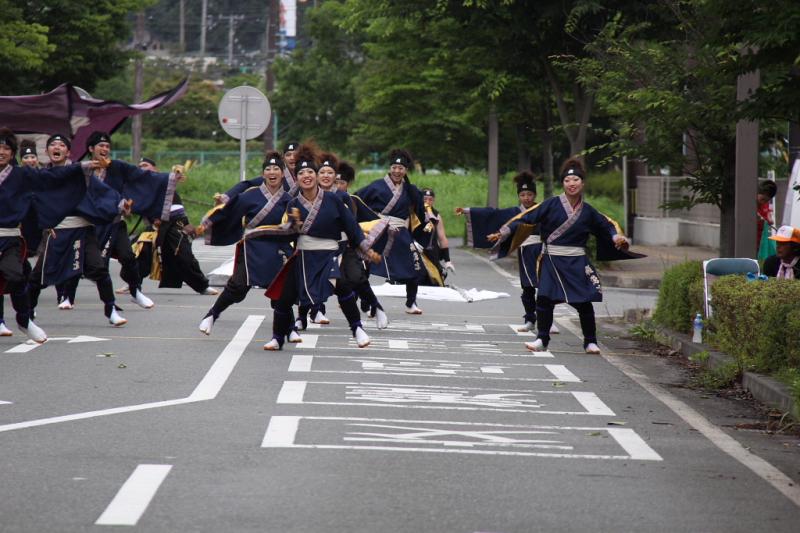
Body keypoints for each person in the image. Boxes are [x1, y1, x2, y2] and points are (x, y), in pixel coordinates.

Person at [488, 157, 636, 354]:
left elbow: (607, 225)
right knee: (544, 299)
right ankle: (542, 339)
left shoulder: (588, 211)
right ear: (563, 184)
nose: (571, 184)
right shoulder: (551, 204)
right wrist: (503, 233)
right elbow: (525, 218)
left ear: (582, 183)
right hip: (551, 259)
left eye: (575, 180)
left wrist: (617, 237)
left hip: (576, 261)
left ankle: (590, 341)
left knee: (583, 302)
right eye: (567, 180)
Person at [265, 145, 382, 350]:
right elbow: (288, 235)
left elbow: (351, 227)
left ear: (316, 176)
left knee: (343, 287)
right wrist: (293, 228)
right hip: (303, 256)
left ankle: (357, 329)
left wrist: (366, 249)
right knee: (284, 297)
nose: (306, 176)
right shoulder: (293, 204)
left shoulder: (334, 199)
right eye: (301, 173)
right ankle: (277, 337)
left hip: (329, 255)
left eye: (310, 172)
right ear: (297, 178)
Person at [0, 127, 102, 342]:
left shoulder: (22, 175)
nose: (1, 152)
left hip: (9, 238)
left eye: (6, 148)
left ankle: (24, 320)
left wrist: (80, 167)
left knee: (16, 276)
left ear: (12, 153)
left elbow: (51, 176)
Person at [196, 151, 296, 338]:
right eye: (268, 169)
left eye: (276, 169)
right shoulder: (250, 196)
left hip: (277, 249)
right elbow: (228, 211)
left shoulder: (289, 200)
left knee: (280, 291)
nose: (272, 172)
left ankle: (290, 329)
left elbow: (295, 226)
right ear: (263, 174)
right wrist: (206, 224)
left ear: (283, 174)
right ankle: (212, 315)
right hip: (252, 248)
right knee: (238, 287)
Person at [457, 171, 558, 334]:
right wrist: (468, 211)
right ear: (519, 196)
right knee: (528, 288)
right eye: (523, 195)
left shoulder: (542, 210)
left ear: (535, 195)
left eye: (530, 194)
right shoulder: (514, 212)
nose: (526, 198)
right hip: (525, 253)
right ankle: (530, 319)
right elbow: (492, 214)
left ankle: (548, 320)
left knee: (545, 287)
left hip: (543, 252)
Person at [353, 149, 428, 314]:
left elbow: (422, 214)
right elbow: (356, 200)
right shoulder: (376, 186)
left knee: (414, 267)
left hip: (400, 232)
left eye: (401, 168)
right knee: (366, 267)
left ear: (405, 170)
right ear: (390, 168)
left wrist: (423, 234)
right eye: (394, 167)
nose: (397, 171)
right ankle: (366, 303)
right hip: (378, 231)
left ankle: (411, 302)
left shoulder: (411, 190)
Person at [133, 157, 217, 295]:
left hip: (175, 224)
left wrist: (176, 175)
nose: (142, 167)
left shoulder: (162, 180)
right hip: (155, 226)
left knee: (184, 256)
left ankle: (202, 286)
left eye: (145, 165)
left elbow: (173, 182)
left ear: (155, 169)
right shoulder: (139, 186)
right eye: (140, 166)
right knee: (142, 252)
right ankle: (133, 284)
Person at [336, 160, 389, 329]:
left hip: (350, 244)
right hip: (322, 246)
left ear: (348, 184)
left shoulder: (351, 200)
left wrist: (367, 242)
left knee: (357, 279)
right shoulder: (316, 197)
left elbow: (372, 220)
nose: (338, 185)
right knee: (311, 281)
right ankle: (305, 316)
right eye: (335, 181)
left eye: (341, 182)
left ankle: (375, 307)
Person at [413, 188, 454, 286]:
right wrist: (412, 241)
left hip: (431, 251)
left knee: (434, 281)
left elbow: (442, 238)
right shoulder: (413, 212)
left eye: (430, 199)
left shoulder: (436, 215)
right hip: (416, 250)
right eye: (425, 199)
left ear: (433, 201)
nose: (427, 202)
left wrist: (447, 260)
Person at [757, 180, 777, 249]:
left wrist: (770, 220)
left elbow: (769, 217)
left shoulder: (766, 205)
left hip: (762, 241)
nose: (764, 202)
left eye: (766, 201)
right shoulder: (750, 204)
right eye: (762, 199)